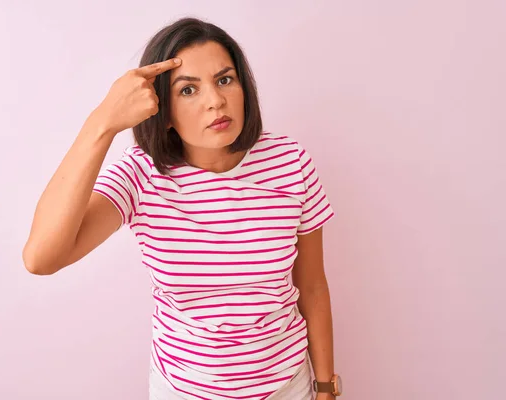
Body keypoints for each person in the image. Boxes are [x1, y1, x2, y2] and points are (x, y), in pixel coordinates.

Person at [23, 17, 342, 400]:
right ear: (163, 109)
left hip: (287, 386)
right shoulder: (142, 173)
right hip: (184, 391)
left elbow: (311, 284)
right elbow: (42, 257)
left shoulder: (289, 161)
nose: (215, 100)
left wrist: (326, 387)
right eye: (188, 89)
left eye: (225, 79)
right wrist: (102, 124)